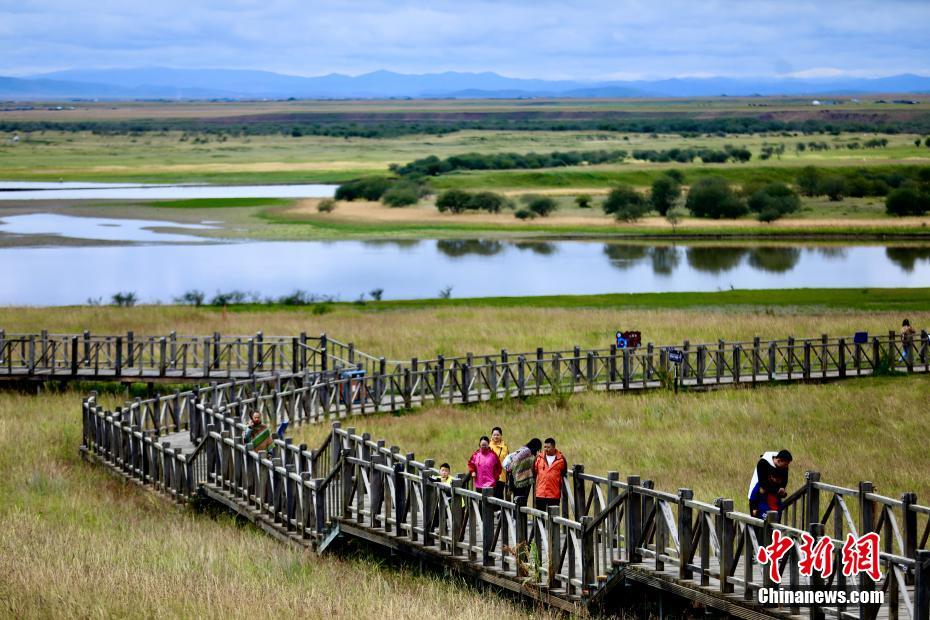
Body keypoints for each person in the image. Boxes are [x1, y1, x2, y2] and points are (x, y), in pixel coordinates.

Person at [748, 449, 792, 518]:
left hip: (773, 504)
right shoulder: (763, 463)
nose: (786, 467)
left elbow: (784, 481)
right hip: (759, 501)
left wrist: (782, 490)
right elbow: (763, 485)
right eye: (786, 464)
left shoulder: (782, 464)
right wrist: (754, 507)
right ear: (779, 461)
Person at [533, 437, 566, 512]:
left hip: (554, 494)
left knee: (553, 516)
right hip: (541, 493)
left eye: (548, 447)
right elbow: (534, 471)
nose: (546, 449)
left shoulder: (561, 459)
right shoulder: (539, 458)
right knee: (540, 516)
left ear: (554, 447)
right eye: (545, 447)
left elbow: (564, 472)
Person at [489, 427, 509, 500]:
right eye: (494, 435)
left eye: (497, 435)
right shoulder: (488, 446)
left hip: (501, 475)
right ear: (491, 435)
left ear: (501, 436)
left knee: (499, 496)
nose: (496, 437)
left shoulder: (505, 447)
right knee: (490, 496)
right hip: (489, 475)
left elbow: (507, 461)